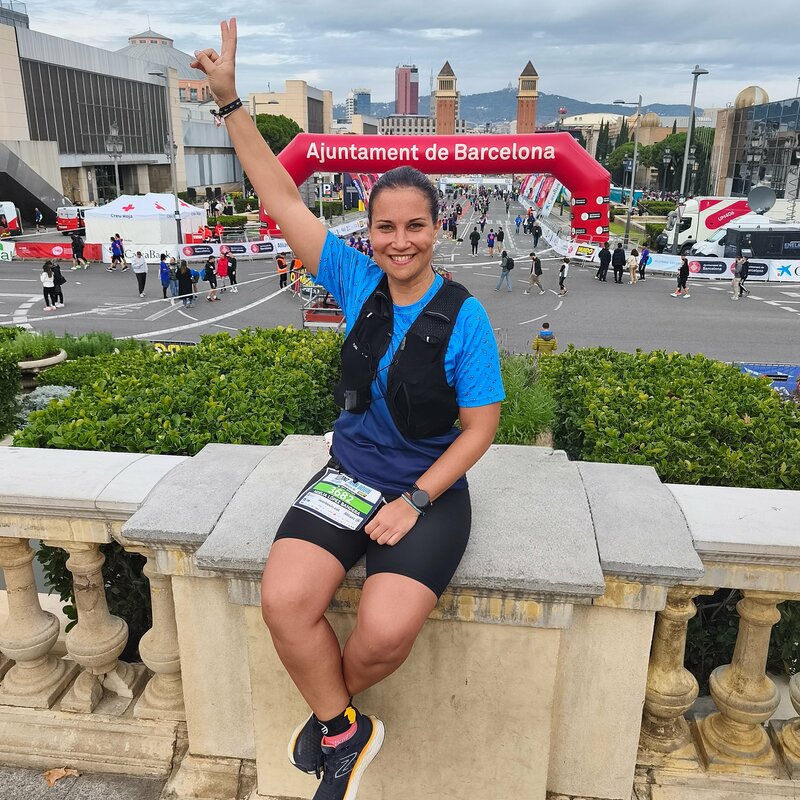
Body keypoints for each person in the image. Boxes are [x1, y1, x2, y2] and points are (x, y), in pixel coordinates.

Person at [193, 21, 504, 799]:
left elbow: (481, 428)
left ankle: (334, 711)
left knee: (381, 636)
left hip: (427, 492)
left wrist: (416, 500)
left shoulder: (464, 317)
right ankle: (343, 730)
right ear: (369, 231)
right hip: (349, 474)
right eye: (385, 227)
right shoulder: (354, 277)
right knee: (283, 602)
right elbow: (278, 194)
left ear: (437, 229)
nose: (400, 241)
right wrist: (231, 101)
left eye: (415, 226)